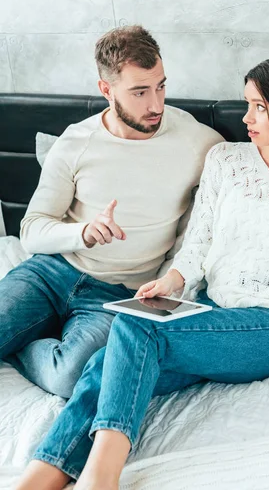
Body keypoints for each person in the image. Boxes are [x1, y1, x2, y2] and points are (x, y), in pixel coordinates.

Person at [16, 56, 269, 490]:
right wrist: (172, 282)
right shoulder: (226, 160)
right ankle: (42, 475)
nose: (246, 117)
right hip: (210, 311)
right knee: (104, 362)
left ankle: (101, 478)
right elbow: (198, 242)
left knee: (138, 328)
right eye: (246, 104)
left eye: (259, 107)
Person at [0, 25, 223, 398]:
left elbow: (261, 181)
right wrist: (83, 232)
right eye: (139, 92)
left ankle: (24, 341)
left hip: (118, 294)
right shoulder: (76, 142)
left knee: (70, 379)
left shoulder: (197, 140)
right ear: (106, 90)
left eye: (161, 86)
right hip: (51, 271)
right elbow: (32, 230)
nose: (156, 104)